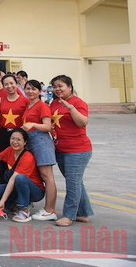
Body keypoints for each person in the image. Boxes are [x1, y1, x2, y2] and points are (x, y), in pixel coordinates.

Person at [49, 74, 93, 227]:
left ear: (69, 87)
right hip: (60, 149)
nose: (57, 89)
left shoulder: (78, 103)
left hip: (78, 150)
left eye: (60, 86)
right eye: (54, 87)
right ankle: (83, 213)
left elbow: (82, 122)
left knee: (72, 182)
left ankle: (69, 215)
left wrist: (71, 108)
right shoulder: (54, 103)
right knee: (76, 181)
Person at [0, 129, 45, 223]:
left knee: (20, 178)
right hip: (16, 186)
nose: (15, 142)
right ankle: (14, 205)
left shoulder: (28, 157)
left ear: (25, 142)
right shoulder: (10, 150)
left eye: (18, 140)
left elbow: (13, 179)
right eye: (13, 139)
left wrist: (2, 201)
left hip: (35, 191)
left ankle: (24, 210)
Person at [21, 79, 58, 221]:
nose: (30, 91)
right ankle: (47, 208)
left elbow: (48, 126)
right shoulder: (29, 105)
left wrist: (33, 124)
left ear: (39, 91)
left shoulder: (42, 106)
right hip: (32, 142)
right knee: (41, 176)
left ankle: (50, 210)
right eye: (28, 88)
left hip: (41, 142)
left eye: (33, 89)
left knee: (47, 176)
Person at [0, 74, 28, 150]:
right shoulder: (1, 100)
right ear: (3, 87)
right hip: (4, 134)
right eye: (6, 84)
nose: (9, 86)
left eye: (11, 83)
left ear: (16, 84)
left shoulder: (25, 101)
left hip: (20, 134)